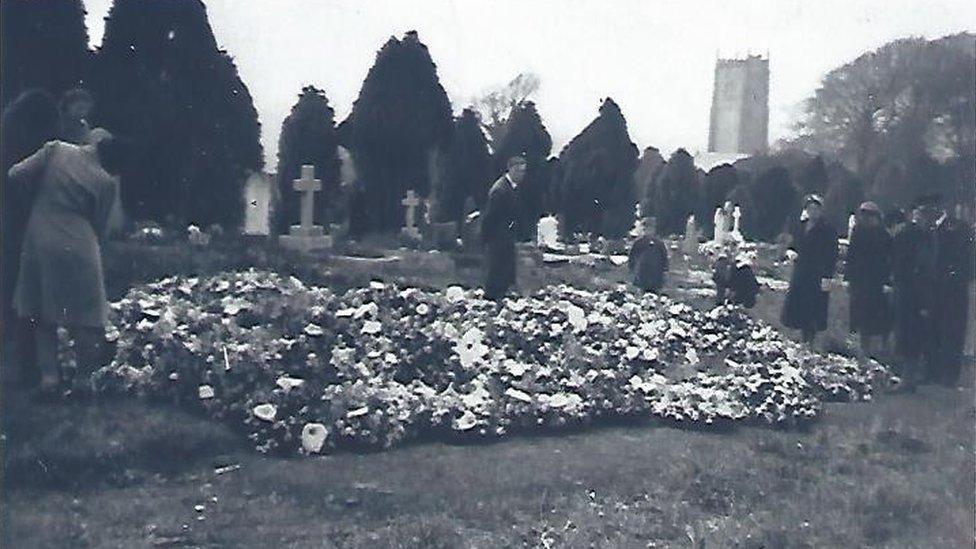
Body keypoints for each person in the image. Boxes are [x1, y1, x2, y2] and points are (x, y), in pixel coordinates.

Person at [7, 134, 128, 397]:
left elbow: (16, 174)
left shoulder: (57, 151)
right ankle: (84, 380)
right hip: (81, 242)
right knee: (86, 316)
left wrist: (35, 195)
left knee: (41, 311)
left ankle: (50, 378)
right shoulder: (105, 181)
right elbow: (102, 224)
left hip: (42, 234)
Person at [1, 90, 61, 387]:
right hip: (22, 223)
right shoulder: (26, 143)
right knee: (26, 293)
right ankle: (29, 364)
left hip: (10, 222)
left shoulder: (9, 134)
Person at [781, 194, 839, 343]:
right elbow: (793, 244)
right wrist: (790, 252)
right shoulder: (801, 226)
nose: (813, 212)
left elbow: (832, 253)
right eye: (810, 209)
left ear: (820, 211)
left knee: (813, 307)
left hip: (817, 273)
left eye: (816, 209)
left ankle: (810, 339)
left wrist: (828, 276)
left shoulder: (827, 230)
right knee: (798, 305)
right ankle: (800, 337)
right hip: (801, 271)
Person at [845, 202, 893, 357]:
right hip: (860, 281)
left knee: (879, 316)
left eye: (870, 216)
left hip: (876, 281)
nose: (867, 220)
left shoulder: (883, 235)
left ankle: (881, 347)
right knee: (861, 316)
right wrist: (849, 278)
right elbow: (851, 256)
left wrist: (888, 280)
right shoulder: (858, 232)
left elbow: (889, 259)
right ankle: (864, 348)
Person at [481, 155, 525, 300]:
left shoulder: (510, 187)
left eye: (523, 171)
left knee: (503, 267)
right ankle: (492, 297)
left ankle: (499, 295)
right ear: (511, 170)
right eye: (519, 171)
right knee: (497, 267)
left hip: (505, 233)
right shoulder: (500, 189)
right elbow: (491, 215)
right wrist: (488, 236)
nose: (522, 175)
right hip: (498, 234)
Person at [628, 217, 668, 293]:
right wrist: (632, 269)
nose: (648, 231)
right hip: (642, 274)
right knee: (642, 293)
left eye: (651, 228)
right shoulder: (639, 243)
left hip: (656, 274)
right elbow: (632, 256)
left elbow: (664, 257)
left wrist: (665, 271)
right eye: (646, 229)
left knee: (655, 294)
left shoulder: (659, 243)